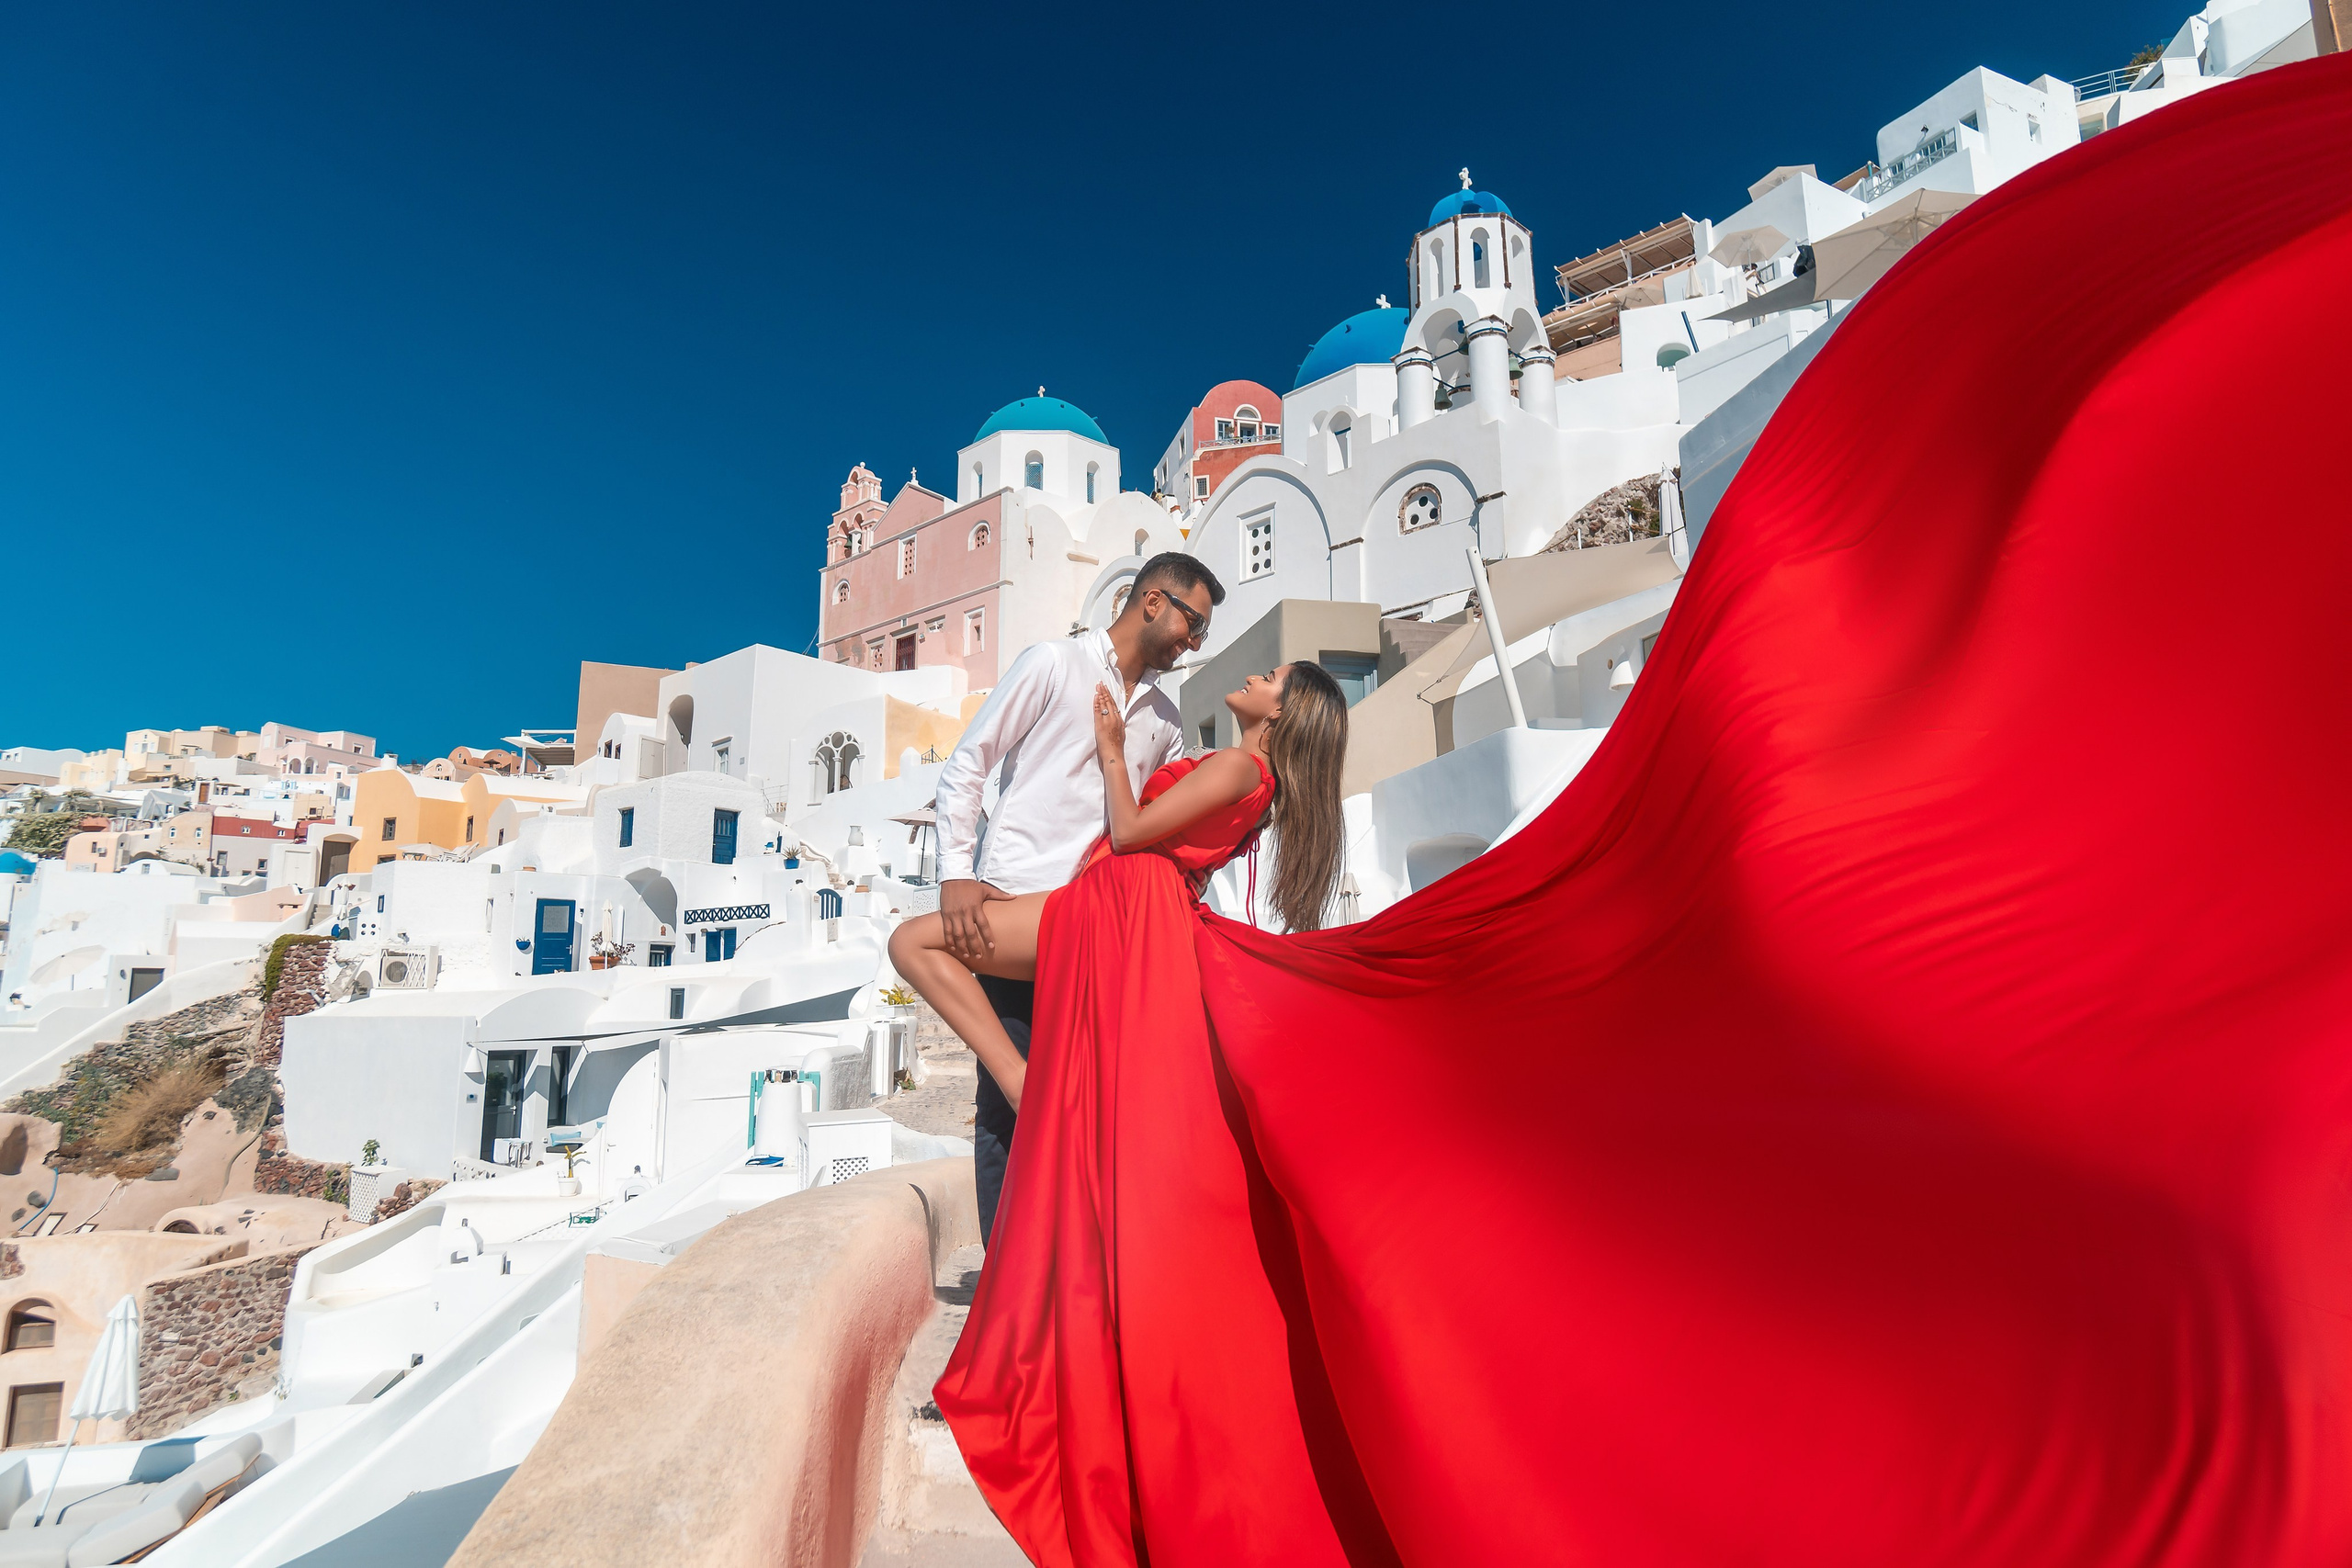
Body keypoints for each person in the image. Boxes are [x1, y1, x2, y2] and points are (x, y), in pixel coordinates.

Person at [899, 658, 1352, 1564]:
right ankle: (1021, 1084)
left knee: (914, 942)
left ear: (1285, 710)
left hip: (1118, 907)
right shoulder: (1246, 774)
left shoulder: (1243, 765)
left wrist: (1110, 749)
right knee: (1094, 1154)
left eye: (1271, 675)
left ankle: (1018, 1079)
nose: (1252, 673)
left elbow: (1133, 829)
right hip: (1121, 909)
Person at [924, 553, 1222, 1239]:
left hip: (1098, 925)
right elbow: (969, 762)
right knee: (1008, 1099)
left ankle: (1069, 1268)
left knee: (1093, 1101)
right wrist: (955, 871)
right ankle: (1004, 1276)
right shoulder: (1053, 663)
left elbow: (1144, 822)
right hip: (1014, 904)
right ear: (1153, 601)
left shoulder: (1166, 718)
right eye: (1194, 622)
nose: (1195, 640)